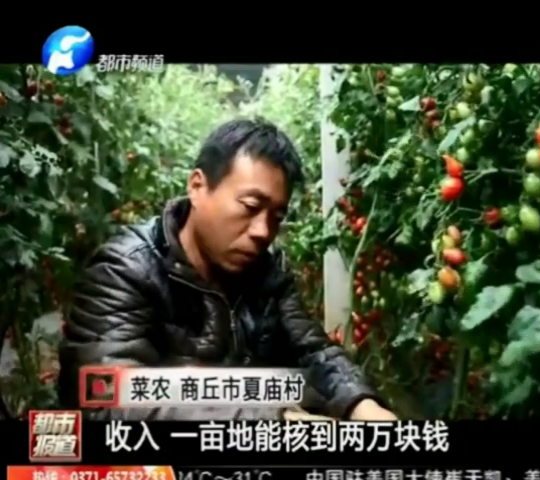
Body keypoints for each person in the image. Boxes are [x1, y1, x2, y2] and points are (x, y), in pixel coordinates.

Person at [57, 118, 396, 421]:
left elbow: (313, 350)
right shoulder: (124, 270)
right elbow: (105, 397)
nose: (263, 231)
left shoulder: (267, 273)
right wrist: (269, 417)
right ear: (197, 187)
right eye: (250, 206)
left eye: (277, 217)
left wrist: (361, 404)